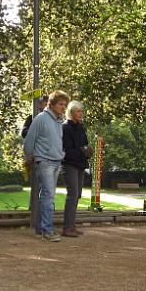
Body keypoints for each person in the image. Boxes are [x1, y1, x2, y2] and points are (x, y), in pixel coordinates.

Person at [24, 90, 69, 242]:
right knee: (48, 197)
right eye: (61, 104)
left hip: (56, 161)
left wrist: (61, 154)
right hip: (44, 162)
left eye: (65, 105)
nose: (63, 107)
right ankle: (47, 231)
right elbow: (28, 141)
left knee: (46, 196)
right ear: (52, 104)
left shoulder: (59, 121)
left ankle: (40, 229)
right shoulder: (41, 118)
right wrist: (30, 157)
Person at [62, 100, 92, 237]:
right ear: (71, 112)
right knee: (72, 195)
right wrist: (82, 151)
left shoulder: (81, 127)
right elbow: (67, 150)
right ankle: (67, 228)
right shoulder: (65, 128)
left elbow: (84, 144)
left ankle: (71, 226)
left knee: (77, 195)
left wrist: (88, 150)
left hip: (80, 164)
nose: (81, 114)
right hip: (69, 164)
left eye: (82, 111)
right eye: (78, 111)